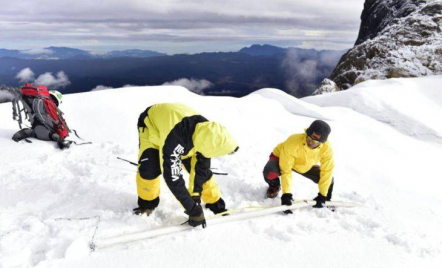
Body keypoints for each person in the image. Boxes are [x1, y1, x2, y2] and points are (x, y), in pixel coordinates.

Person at [133, 103, 239, 228]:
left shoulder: (209, 133)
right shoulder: (174, 140)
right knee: (149, 168)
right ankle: (147, 204)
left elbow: (200, 170)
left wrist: (195, 196)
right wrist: (193, 210)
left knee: (203, 173)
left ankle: (214, 202)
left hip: (181, 133)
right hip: (152, 127)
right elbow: (173, 177)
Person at [263, 120, 334, 212]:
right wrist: (286, 195)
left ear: (321, 142)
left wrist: (322, 194)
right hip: (282, 158)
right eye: (309, 137)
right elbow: (286, 170)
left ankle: (326, 199)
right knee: (270, 172)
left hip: (304, 164)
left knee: (329, 180)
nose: (310, 141)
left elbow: (327, 171)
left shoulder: (327, 149)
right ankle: (275, 185)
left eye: (315, 140)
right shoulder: (293, 142)